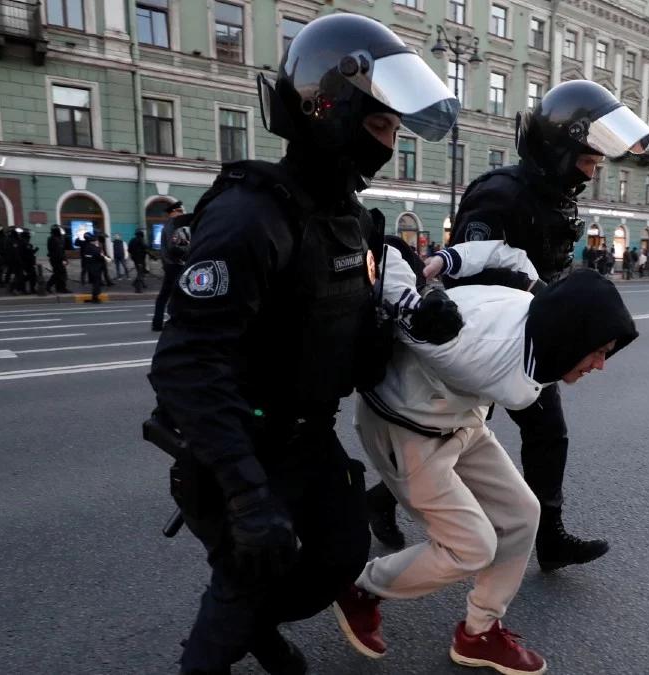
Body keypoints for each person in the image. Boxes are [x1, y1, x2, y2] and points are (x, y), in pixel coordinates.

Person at [146, 13, 460, 675]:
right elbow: (185, 363)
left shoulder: (348, 219)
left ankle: (256, 625)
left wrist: (408, 324)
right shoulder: (251, 214)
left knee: (339, 555)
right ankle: (232, 640)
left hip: (308, 435)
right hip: (238, 441)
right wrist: (246, 493)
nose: (389, 141)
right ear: (329, 112)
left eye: (395, 127)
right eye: (379, 125)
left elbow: (343, 332)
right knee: (247, 573)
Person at [364, 79, 649, 572]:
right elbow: (475, 274)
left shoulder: (554, 190)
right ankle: (533, 532)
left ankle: (545, 534)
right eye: (586, 161)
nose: (591, 172)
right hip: (494, 340)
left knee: (516, 434)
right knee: (475, 433)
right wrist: (539, 299)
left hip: (536, 334)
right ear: (559, 150)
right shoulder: (500, 195)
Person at [336, 244, 638, 674]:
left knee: (522, 514)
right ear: (575, 334)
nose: (601, 364)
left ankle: (478, 633)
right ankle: (361, 588)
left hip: (459, 420)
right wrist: (410, 288)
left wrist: (443, 260)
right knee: (471, 547)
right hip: (405, 429)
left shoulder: (540, 304)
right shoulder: (473, 349)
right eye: (599, 351)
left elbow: (508, 254)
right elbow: (388, 273)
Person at [151, 201, 187, 331]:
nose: (182, 214)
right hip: (174, 264)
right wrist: (187, 252)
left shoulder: (167, 226)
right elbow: (173, 248)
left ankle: (158, 323)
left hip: (170, 264)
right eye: (180, 211)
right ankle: (175, 321)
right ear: (174, 212)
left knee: (166, 295)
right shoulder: (173, 225)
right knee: (180, 294)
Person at [79, 231, 104, 303]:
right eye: (96, 240)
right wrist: (101, 255)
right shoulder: (96, 249)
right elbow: (100, 257)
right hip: (96, 267)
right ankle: (95, 298)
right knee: (96, 283)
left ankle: (94, 297)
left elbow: (86, 256)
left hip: (90, 267)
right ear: (93, 241)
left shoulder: (87, 248)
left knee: (94, 282)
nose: (97, 241)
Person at [45, 226, 69, 294]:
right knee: (60, 274)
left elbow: (62, 250)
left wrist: (65, 259)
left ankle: (59, 288)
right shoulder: (54, 239)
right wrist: (63, 260)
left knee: (59, 274)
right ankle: (49, 286)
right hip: (57, 260)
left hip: (57, 259)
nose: (62, 232)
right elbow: (58, 251)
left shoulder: (57, 238)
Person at [18, 230, 39, 294]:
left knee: (32, 276)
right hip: (26, 263)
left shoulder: (24, 243)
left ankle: (30, 289)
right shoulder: (24, 243)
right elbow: (28, 253)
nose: (30, 237)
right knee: (29, 276)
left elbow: (29, 253)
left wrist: (34, 250)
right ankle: (18, 287)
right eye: (29, 236)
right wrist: (34, 251)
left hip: (28, 262)